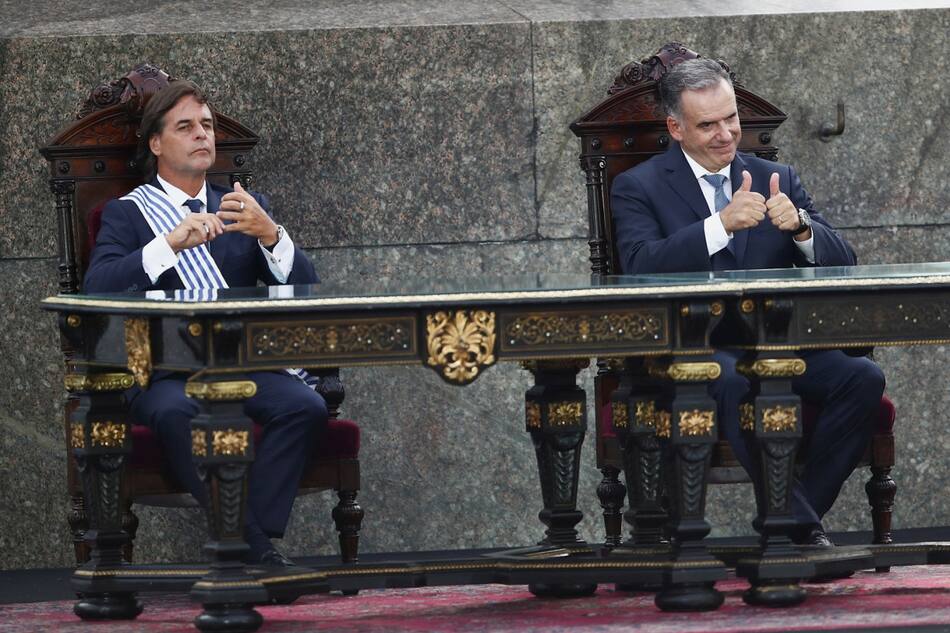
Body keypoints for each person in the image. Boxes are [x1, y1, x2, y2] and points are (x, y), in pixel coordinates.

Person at [610, 58, 885, 546]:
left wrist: (801, 227)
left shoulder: (775, 175)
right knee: (729, 381)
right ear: (675, 127)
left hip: (779, 344)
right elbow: (637, 266)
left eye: (731, 118)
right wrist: (720, 226)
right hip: (693, 349)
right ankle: (797, 527)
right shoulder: (639, 186)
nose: (726, 135)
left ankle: (796, 518)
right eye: (708, 124)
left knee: (862, 377)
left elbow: (844, 261)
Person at [84, 80, 325, 566]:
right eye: (186, 126)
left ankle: (244, 538)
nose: (202, 135)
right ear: (156, 143)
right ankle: (259, 552)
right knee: (177, 415)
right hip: (164, 369)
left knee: (305, 405)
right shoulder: (127, 214)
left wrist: (272, 236)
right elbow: (98, 288)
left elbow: (305, 291)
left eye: (208, 126)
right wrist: (167, 244)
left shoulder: (241, 205)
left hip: (239, 364)